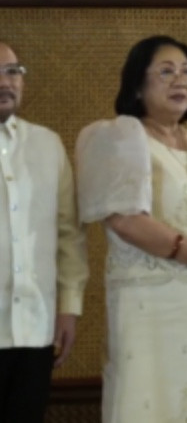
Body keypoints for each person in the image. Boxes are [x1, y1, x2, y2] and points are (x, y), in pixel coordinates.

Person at [75, 35, 187, 423]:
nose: (181, 80)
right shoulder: (120, 138)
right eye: (166, 71)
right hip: (155, 311)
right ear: (137, 85)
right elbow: (125, 221)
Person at [0, 42, 88, 422]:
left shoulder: (47, 145)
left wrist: (69, 306)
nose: (5, 82)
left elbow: (69, 233)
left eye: (12, 71)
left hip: (35, 328)